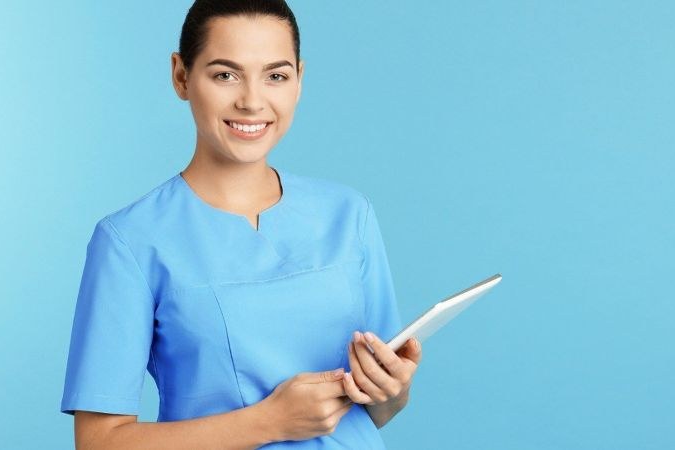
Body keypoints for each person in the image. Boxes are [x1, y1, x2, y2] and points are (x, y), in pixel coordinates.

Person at [59, 1, 422, 448]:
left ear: (299, 80)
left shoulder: (349, 214)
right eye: (225, 74)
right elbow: (97, 442)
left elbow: (378, 409)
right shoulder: (130, 242)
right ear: (181, 76)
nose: (252, 101)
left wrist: (392, 390)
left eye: (276, 75)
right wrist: (269, 421)